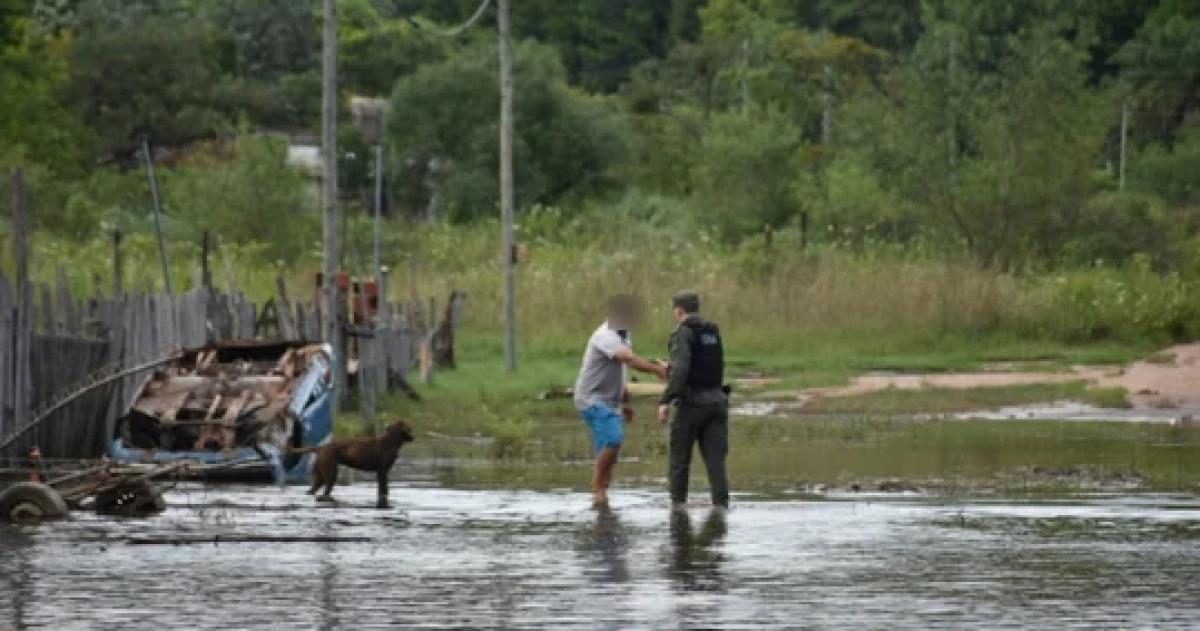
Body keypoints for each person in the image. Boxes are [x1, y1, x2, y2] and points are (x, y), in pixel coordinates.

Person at [575, 295, 668, 508]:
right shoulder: (605, 336)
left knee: (608, 448)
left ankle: (602, 494)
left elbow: (620, 370)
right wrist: (657, 371)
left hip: (609, 400)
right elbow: (629, 360)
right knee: (613, 439)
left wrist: (625, 402)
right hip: (591, 398)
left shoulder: (624, 334)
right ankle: (597, 488)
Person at [657, 290, 730, 509]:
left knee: (680, 462)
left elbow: (682, 369)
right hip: (717, 403)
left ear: (678, 311)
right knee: (716, 462)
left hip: (692, 406)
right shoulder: (712, 331)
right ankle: (721, 508)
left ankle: (677, 511)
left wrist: (665, 400)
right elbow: (708, 365)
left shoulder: (683, 332)